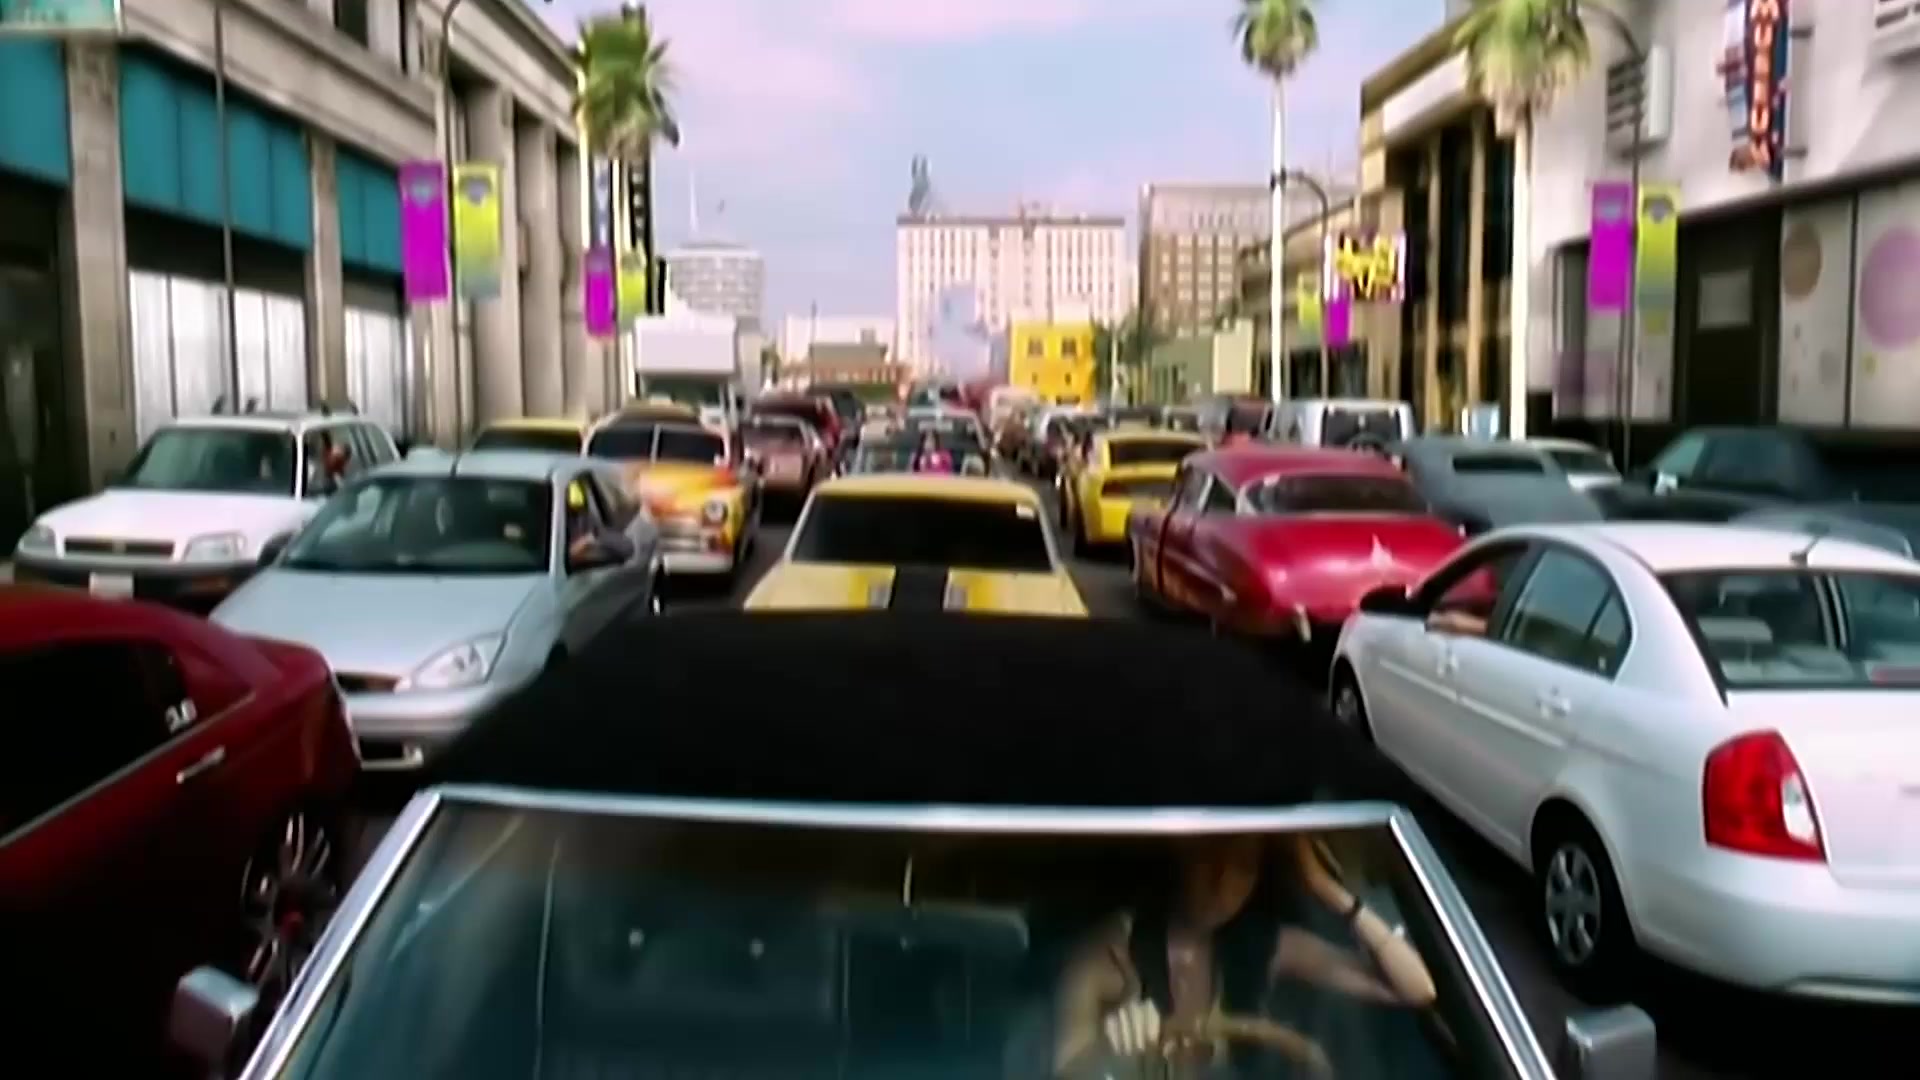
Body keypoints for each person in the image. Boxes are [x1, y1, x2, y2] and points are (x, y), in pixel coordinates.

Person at [1052, 834, 1436, 1078]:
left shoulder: (1261, 945)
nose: (1222, 882)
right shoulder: (1109, 957)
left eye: (1243, 866)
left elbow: (1416, 988)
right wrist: (1108, 1052)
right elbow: (1063, 1072)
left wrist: (1324, 887)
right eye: (1209, 857)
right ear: (1179, 856)